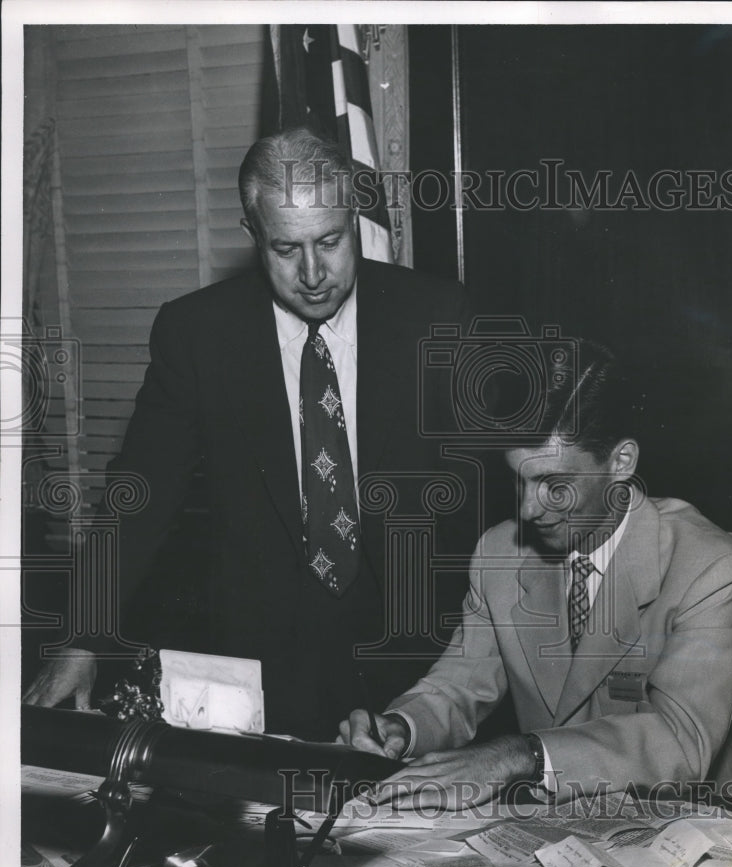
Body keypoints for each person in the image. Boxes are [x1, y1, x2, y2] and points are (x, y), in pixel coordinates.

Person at [23, 126, 480, 740]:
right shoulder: (197, 334)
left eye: (331, 241)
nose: (313, 273)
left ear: (354, 218)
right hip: (260, 666)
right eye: (286, 249)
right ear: (251, 235)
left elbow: (482, 508)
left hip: (416, 662)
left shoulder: (436, 316)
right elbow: (137, 502)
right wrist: (80, 640)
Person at [339, 341, 732, 805]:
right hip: (554, 827)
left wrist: (522, 754)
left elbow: (680, 739)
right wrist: (402, 726)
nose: (529, 509)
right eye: (520, 480)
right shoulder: (500, 552)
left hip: (698, 821)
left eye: (556, 485)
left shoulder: (711, 568)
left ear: (621, 463)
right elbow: (459, 684)